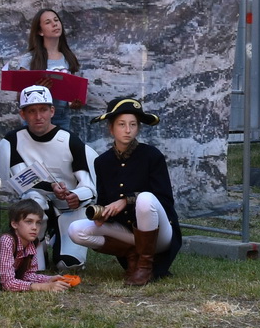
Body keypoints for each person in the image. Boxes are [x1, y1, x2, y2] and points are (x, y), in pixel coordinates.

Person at [67, 99, 181, 285]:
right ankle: (132, 255)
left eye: (133, 124)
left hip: (160, 235)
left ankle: (145, 267)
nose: (127, 130)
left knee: (145, 199)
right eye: (121, 124)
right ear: (111, 129)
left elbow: (165, 199)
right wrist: (103, 214)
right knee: (76, 230)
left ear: (138, 128)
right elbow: (104, 199)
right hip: (128, 235)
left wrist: (127, 200)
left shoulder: (152, 156)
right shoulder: (102, 162)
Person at [0, 84, 95, 267]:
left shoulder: (70, 141)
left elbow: (89, 185)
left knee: (68, 264)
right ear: (23, 115)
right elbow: (20, 182)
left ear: (52, 111)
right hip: (36, 205)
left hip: (69, 208)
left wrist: (77, 196)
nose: (38, 116)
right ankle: (36, 245)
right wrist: (50, 188)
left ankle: (59, 238)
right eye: (31, 111)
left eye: (43, 110)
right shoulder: (13, 141)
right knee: (34, 199)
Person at [0, 196, 75, 293]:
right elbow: (8, 284)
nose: (34, 227)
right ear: (14, 224)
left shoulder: (32, 242)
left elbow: (27, 275)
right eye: (29, 222)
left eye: (38, 223)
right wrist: (44, 287)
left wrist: (49, 279)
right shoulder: (7, 240)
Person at [23, 7, 81, 125]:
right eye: (48, 22)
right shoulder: (29, 59)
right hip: (37, 118)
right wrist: (36, 89)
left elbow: (73, 92)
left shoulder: (68, 58)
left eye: (56, 20)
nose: (54, 24)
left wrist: (75, 102)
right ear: (40, 31)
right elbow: (19, 95)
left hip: (61, 117)